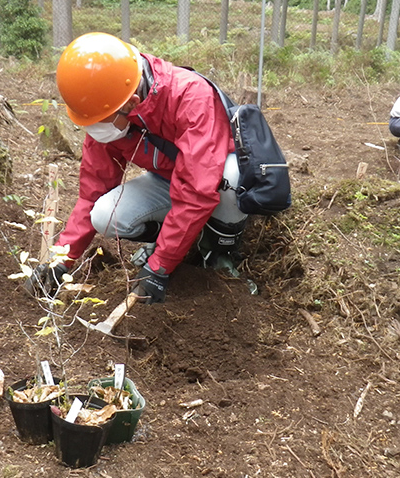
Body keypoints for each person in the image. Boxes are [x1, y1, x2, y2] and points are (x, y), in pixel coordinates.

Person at [24, 32, 248, 304]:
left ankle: (220, 250)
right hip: (171, 182)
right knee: (105, 215)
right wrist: (61, 260)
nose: (95, 131)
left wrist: (159, 267)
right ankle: (178, 237)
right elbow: (92, 194)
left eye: (101, 122)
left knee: (232, 177)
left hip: (214, 179)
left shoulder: (190, 97)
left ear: (131, 103)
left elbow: (197, 191)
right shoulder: (105, 113)